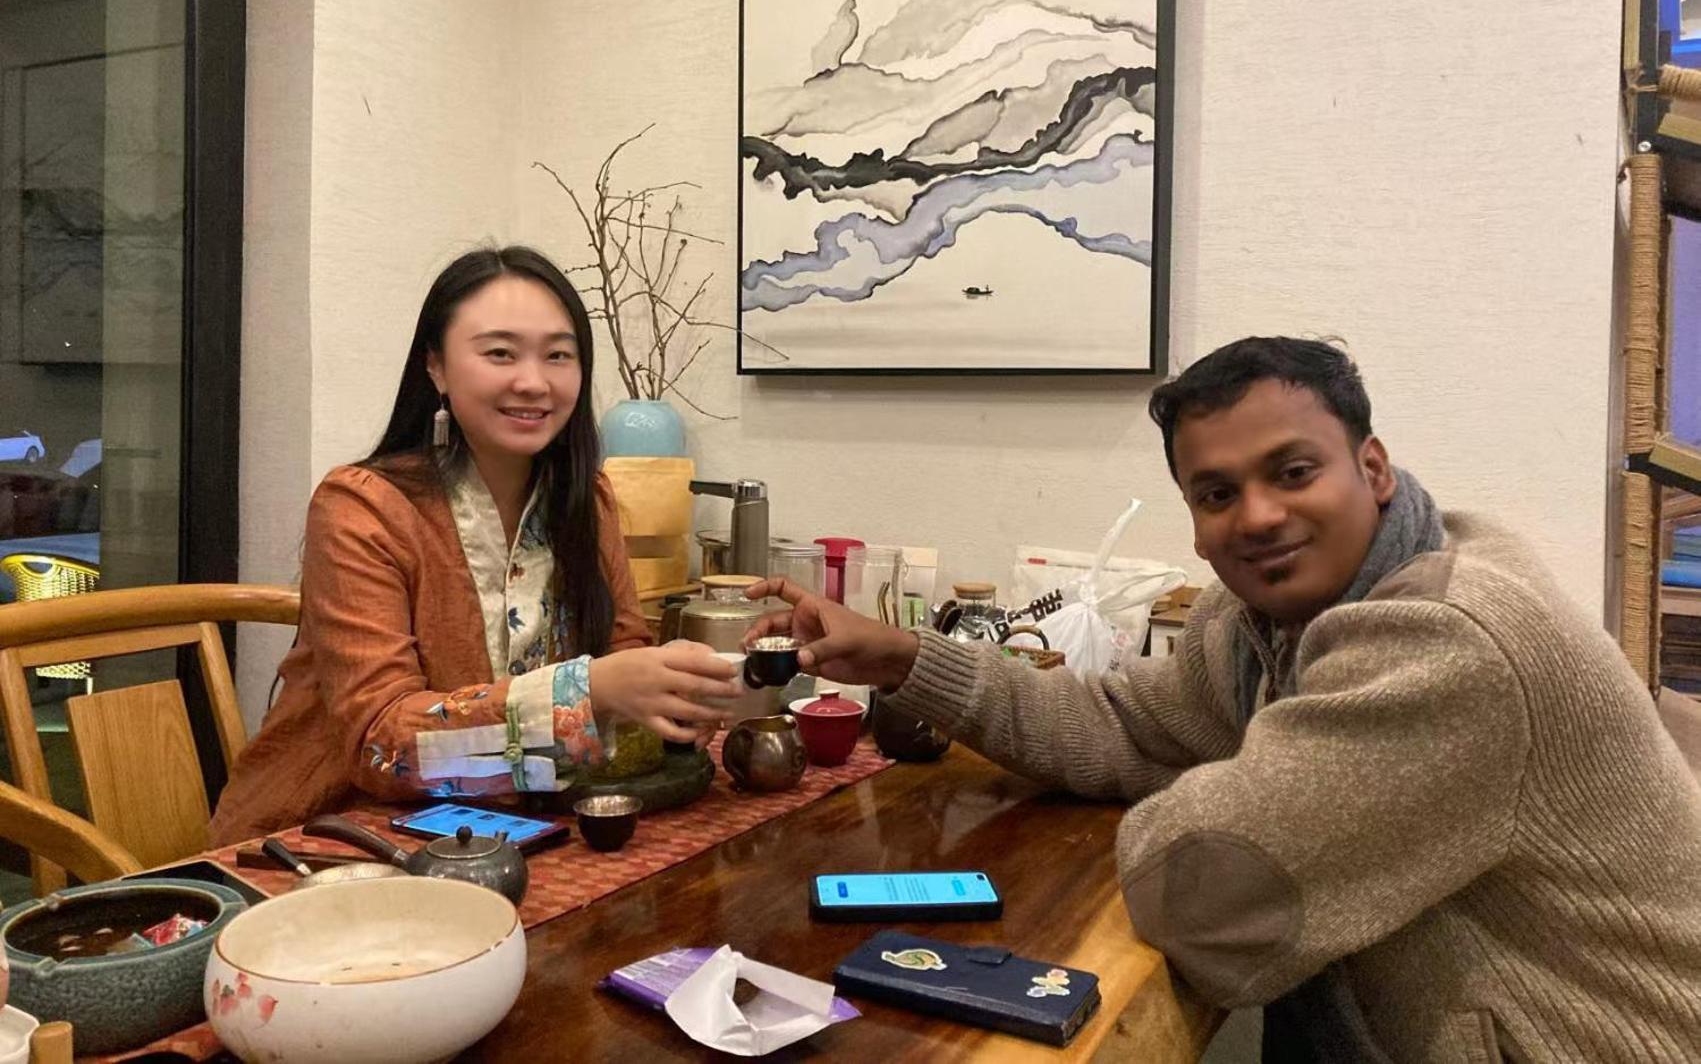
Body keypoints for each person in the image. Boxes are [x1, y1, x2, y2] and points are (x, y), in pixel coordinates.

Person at [745, 337, 1701, 1062]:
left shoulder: (1448, 642)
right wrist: (910, 656)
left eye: (1292, 472)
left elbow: (1204, 891)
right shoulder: (1255, 622)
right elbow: (1120, 725)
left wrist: (1236, 795)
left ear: (1371, 469)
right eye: (1215, 493)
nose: (1258, 516)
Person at [211, 246, 737, 842]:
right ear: (436, 367)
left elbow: (623, 649)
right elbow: (381, 745)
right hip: (332, 839)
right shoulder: (362, 508)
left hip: (520, 834)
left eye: (558, 355)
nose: (533, 382)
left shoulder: (586, 500)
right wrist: (588, 694)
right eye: (500, 353)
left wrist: (674, 699)